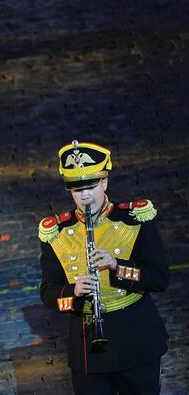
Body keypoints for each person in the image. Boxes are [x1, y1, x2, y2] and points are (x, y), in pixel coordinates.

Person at [39, 140, 169, 395]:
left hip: (136, 341)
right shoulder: (57, 234)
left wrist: (116, 266)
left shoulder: (134, 220)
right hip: (88, 349)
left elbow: (160, 278)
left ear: (105, 183)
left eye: (91, 186)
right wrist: (73, 292)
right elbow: (48, 293)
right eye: (77, 189)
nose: (85, 196)